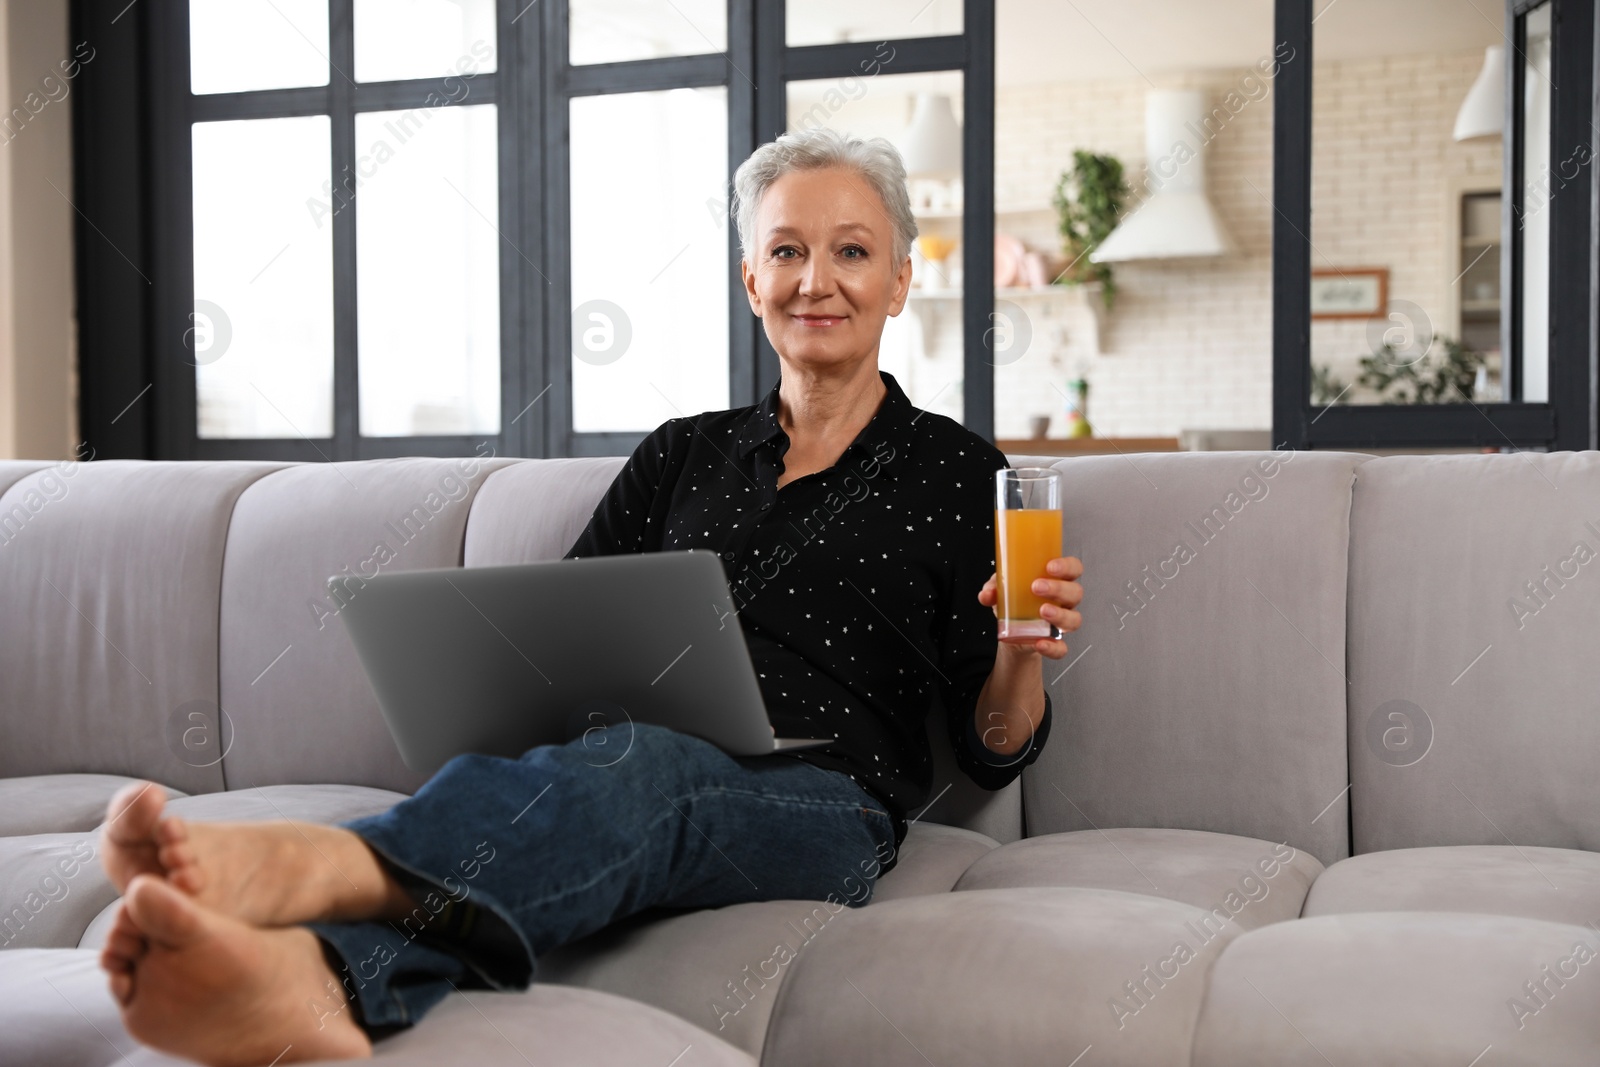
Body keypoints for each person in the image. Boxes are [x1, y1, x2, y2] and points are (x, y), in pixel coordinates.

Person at [95, 127, 1086, 1066]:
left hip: (826, 806)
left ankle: (320, 871)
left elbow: (993, 749)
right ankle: (306, 984)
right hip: (621, 761)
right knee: (616, 765)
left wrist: (1017, 647)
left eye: (852, 251)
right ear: (750, 279)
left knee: (641, 770)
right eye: (785, 250)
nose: (815, 279)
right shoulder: (680, 454)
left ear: (899, 280)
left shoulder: (960, 474)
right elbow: (555, 634)